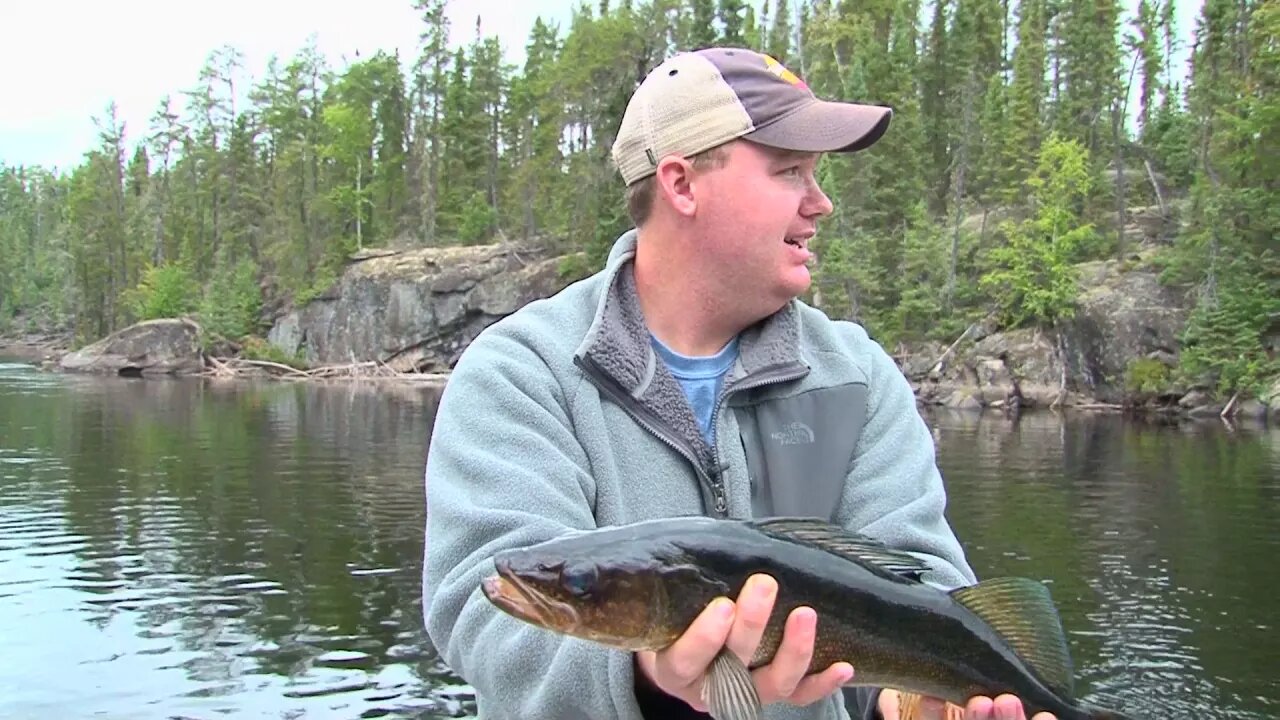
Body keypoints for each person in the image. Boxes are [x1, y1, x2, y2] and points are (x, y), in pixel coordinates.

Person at [422, 47, 1057, 720]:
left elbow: (924, 587)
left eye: (816, 174)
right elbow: (485, 613)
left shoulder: (858, 375)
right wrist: (645, 678)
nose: (822, 204)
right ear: (683, 184)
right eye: (789, 171)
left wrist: (912, 707)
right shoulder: (521, 372)